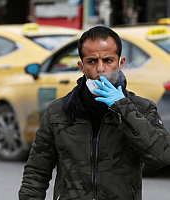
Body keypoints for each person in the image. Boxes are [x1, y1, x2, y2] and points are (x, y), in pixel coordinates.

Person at [19, 26, 170, 200]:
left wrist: (121, 106)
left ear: (120, 63)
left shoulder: (142, 109)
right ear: (81, 66)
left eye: (108, 60)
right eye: (91, 61)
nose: (100, 69)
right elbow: (36, 173)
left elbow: (162, 157)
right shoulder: (58, 112)